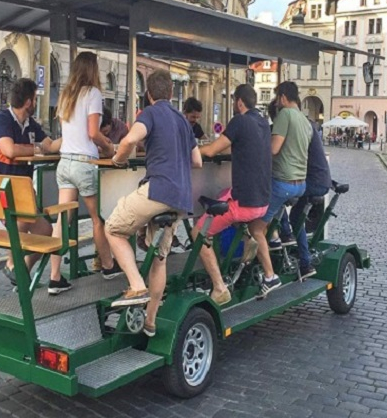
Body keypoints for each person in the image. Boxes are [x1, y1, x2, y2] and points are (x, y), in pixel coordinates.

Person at [106, 69, 203, 337]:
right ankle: (150, 322)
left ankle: (136, 285)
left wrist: (119, 159)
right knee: (159, 258)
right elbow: (197, 161)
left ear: (148, 95)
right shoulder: (183, 121)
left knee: (113, 230)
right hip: (180, 198)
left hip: (158, 189)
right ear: (171, 93)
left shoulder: (149, 113)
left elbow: (129, 139)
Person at [192, 84, 272, 305]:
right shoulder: (263, 122)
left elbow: (210, 151)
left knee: (198, 232)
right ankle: (248, 240)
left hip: (244, 204)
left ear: (238, 102)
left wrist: (189, 150)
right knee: (221, 194)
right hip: (263, 201)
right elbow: (232, 146)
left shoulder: (239, 121)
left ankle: (219, 287)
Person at [52, 52, 121, 293]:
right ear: (92, 70)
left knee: (62, 220)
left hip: (65, 163)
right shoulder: (93, 93)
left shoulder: (65, 95)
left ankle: (54, 277)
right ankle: (109, 266)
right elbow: (93, 132)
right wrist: (109, 146)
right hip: (84, 163)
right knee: (97, 217)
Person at [0, 78, 61, 287]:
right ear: (28, 101)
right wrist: (36, 149)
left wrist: (71, 137)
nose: (36, 103)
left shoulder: (31, 124)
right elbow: (9, 150)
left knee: (46, 233)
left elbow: (50, 146)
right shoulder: (2, 119)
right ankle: (12, 263)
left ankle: (20, 268)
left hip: (20, 189)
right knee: (24, 210)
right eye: (35, 99)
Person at [249, 81, 312, 299]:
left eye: (277, 98)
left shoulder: (285, 115)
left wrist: (254, 151)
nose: (277, 103)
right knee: (269, 219)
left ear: (283, 97)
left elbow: (273, 149)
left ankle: (269, 276)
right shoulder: (305, 120)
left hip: (282, 183)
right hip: (299, 184)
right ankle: (274, 241)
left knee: (255, 228)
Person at [278, 117, 331, 279]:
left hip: (312, 182)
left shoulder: (295, 129)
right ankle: (304, 262)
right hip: (320, 180)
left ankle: (286, 236)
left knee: (276, 194)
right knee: (296, 216)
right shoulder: (306, 126)